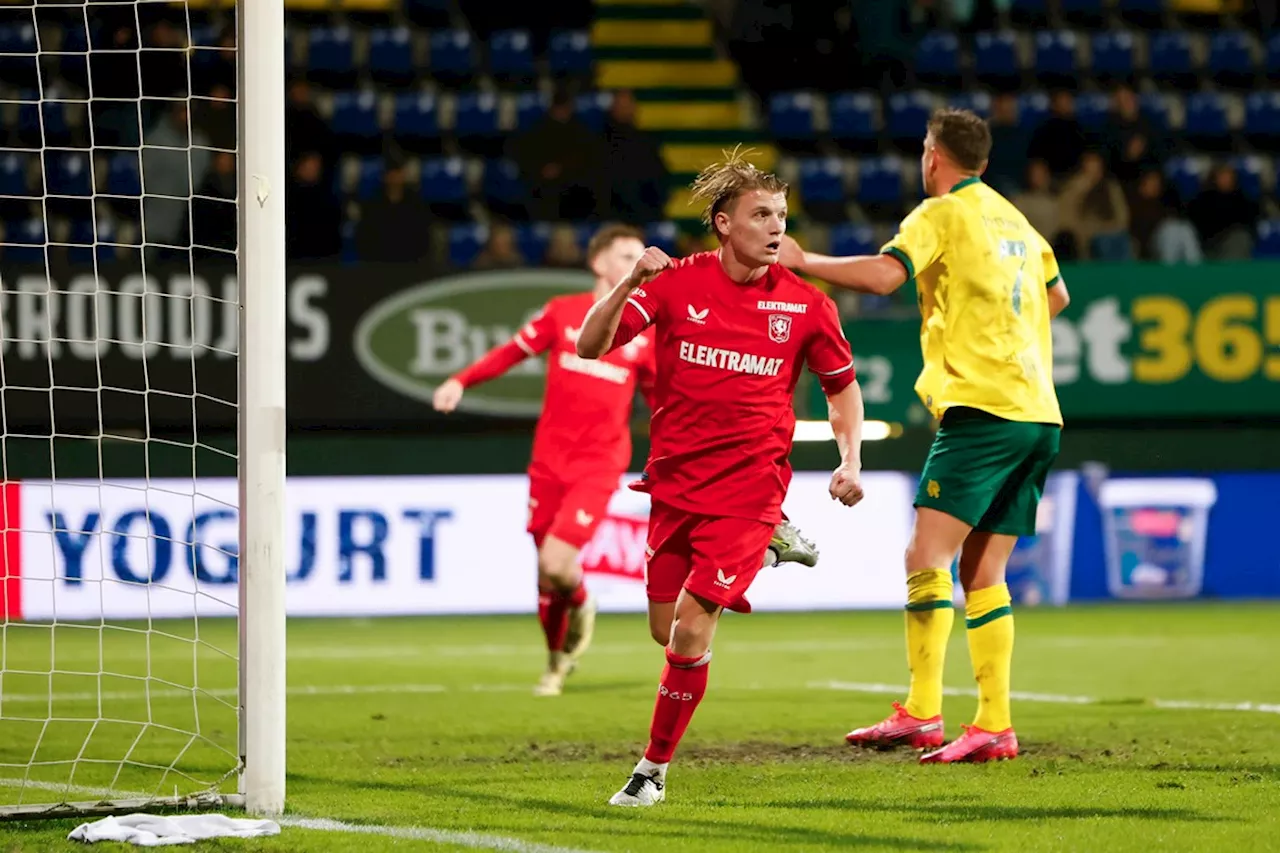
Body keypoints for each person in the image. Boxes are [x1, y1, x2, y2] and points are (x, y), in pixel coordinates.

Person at [779, 108, 1071, 764]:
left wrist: (805, 261)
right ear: (985, 161)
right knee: (983, 569)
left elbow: (886, 276)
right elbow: (1056, 298)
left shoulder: (939, 213)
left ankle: (920, 710)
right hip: (1038, 412)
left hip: (981, 406)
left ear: (933, 156)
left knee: (925, 558)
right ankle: (994, 722)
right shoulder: (1019, 223)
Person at [576, 150, 867, 806]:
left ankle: (651, 770)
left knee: (691, 628)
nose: (775, 228)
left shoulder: (807, 306)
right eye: (760, 214)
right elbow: (587, 346)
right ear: (722, 223)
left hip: (750, 487)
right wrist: (625, 285)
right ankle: (772, 542)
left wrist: (850, 459)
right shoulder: (676, 283)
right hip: (676, 485)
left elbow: (842, 389)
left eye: (782, 216)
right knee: (665, 630)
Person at [434, 224, 820, 696]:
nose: (640, 260)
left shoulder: (641, 331)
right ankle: (557, 658)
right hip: (548, 461)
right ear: (599, 263)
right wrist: (461, 381)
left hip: (598, 463)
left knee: (558, 563)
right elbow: (512, 352)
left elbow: (671, 395)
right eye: (626, 255)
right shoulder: (565, 314)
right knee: (546, 572)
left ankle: (578, 605)